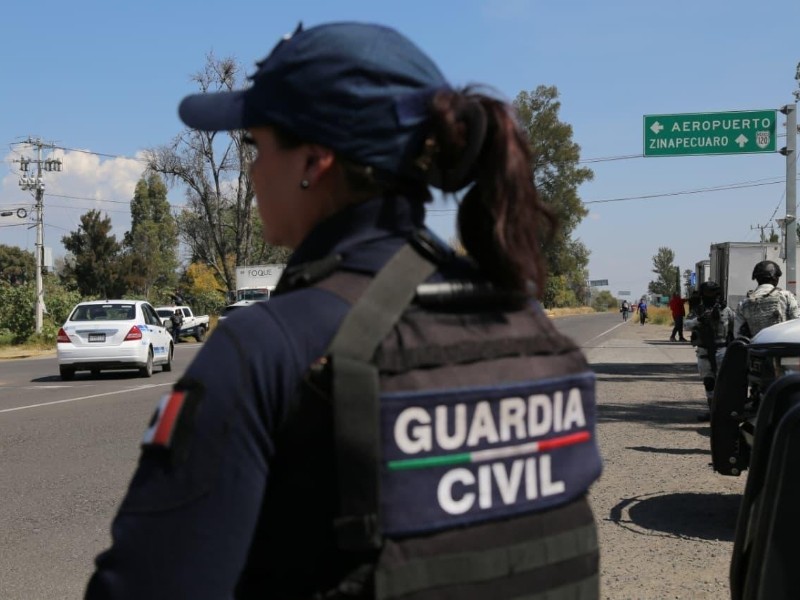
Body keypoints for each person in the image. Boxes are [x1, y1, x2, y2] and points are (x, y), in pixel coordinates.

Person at [85, 22, 602, 599]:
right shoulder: (527, 327)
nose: (250, 172)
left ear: (315, 160)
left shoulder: (265, 348)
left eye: (256, 145)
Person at [684, 280, 735, 418]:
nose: (710, 295)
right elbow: (686, 325)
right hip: (704, 352)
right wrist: (698, 320)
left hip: (721, 350)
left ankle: (724, 413)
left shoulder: (726, 310)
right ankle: (713, 413)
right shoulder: (698, 310)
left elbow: (734, 328)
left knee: (723, 383)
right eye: (707, 293)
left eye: (713, 292)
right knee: (709, 383)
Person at [734, 260, 800, 340]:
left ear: (757, 278)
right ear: (775, 278)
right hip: (782, 348)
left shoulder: (744, 303)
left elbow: (738, 334)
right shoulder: (786, 296)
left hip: (757, 349)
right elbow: (797, 324)